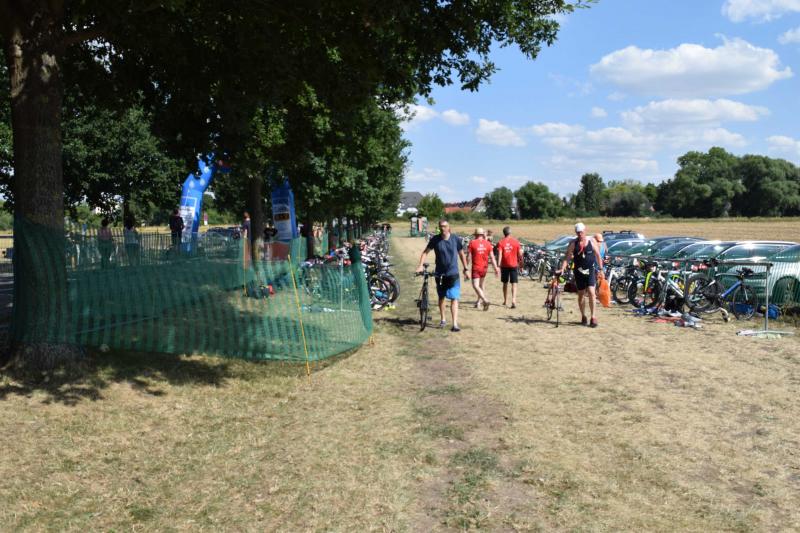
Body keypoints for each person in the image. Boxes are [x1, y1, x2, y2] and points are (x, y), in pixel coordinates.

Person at [416, 219, 469, 332]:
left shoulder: (455, 239)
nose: (442, 228)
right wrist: (420, 265)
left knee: (454, 298)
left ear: (449, 227)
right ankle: (443, 319)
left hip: (453, 274)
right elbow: (425, 252)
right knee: (441, 297)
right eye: (440, 226)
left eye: (444, 226)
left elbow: (461, 254)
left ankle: (455, 324)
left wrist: (466, 268)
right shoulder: (435, 239)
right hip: (440, 274)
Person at [559, 222, 604, 327]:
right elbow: (567, 257)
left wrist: (601, 269)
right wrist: (562, 268)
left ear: (585, 231)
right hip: (578, 272)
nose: (580, 234)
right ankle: (583, 316)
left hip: (590, 270)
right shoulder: (573, 243)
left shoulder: (592, 241)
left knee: (592, 292)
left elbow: (598, 255)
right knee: (581, 294)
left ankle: (593, 317)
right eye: (578, 232)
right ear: (576, 232)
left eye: (581, 232)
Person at [467, 227, 499, 310]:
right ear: (482, 235)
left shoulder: (472, 243)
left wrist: (466, 266)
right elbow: (492, 257)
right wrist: (496, 268)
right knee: (481, 285)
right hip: (484, 268)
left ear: (476, 235)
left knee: (475, 285)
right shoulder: (488, 244)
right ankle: (478, 302)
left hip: (476, 267)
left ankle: (485, 300)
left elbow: (468, 256)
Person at [497, 226, 523, 308]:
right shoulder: (516, 242)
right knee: (514, 283)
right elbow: (520, 255)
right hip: (514, 265)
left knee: (505, 283)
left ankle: (505, 300)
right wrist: (521, 265)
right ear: (510, 233)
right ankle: (513, 300)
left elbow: (500, 254)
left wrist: (498, 265)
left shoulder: (501, 242)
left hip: (504, 265)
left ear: (504, 233)